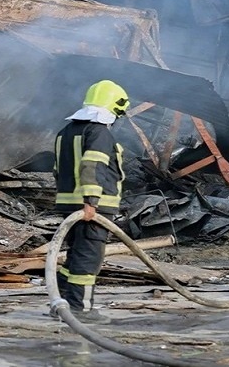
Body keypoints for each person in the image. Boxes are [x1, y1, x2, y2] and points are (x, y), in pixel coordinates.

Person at [53, 79, 130, 324]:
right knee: (88, 258)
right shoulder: (99, 132)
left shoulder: (65, 132)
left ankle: (61, 304)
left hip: (69, 203)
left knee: (75, 255)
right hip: (92, 208)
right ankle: (80, 309)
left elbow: (58, 170)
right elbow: (93, 166)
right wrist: (91, 201)